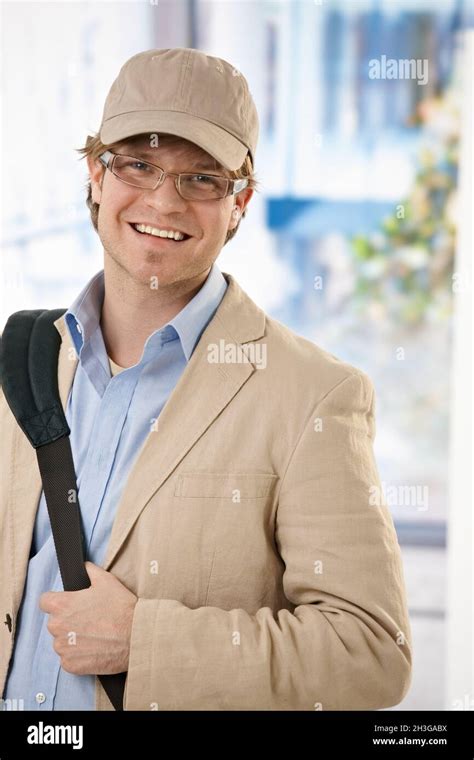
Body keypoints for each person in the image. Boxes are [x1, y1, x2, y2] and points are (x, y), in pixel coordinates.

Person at [0, 47, 412, 711]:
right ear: (96, 174)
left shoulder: (313, 396)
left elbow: (369, 655)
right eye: (139, 164)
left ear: (240, 202)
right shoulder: (17, 363)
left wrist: (144, 640)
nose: (164, 200)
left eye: (201, 179)